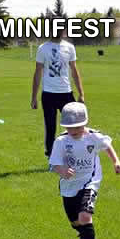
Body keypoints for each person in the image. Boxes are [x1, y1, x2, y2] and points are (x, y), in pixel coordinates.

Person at [48, 102, 120, 239]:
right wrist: (62, 171)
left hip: (90, 181)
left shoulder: (93, 137)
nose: (73, 131)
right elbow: (53, 164)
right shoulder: (61, 141)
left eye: (77, 127)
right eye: (69, 128)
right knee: (75, 222)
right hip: (68, 186)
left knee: (84, 217)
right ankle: (83, 235)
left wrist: (116, 162)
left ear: (85, 123)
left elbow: (107, 146)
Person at [31, 32, 85, 160]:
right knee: (50, 127)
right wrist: (34, 97)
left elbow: (74, 71)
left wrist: (81, 93)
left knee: (74, 125)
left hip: (66, 93)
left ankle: (75, 155)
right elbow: (38, 72)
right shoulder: (43, 48)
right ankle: (51, 157)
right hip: (48, 94)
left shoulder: (69, 47)